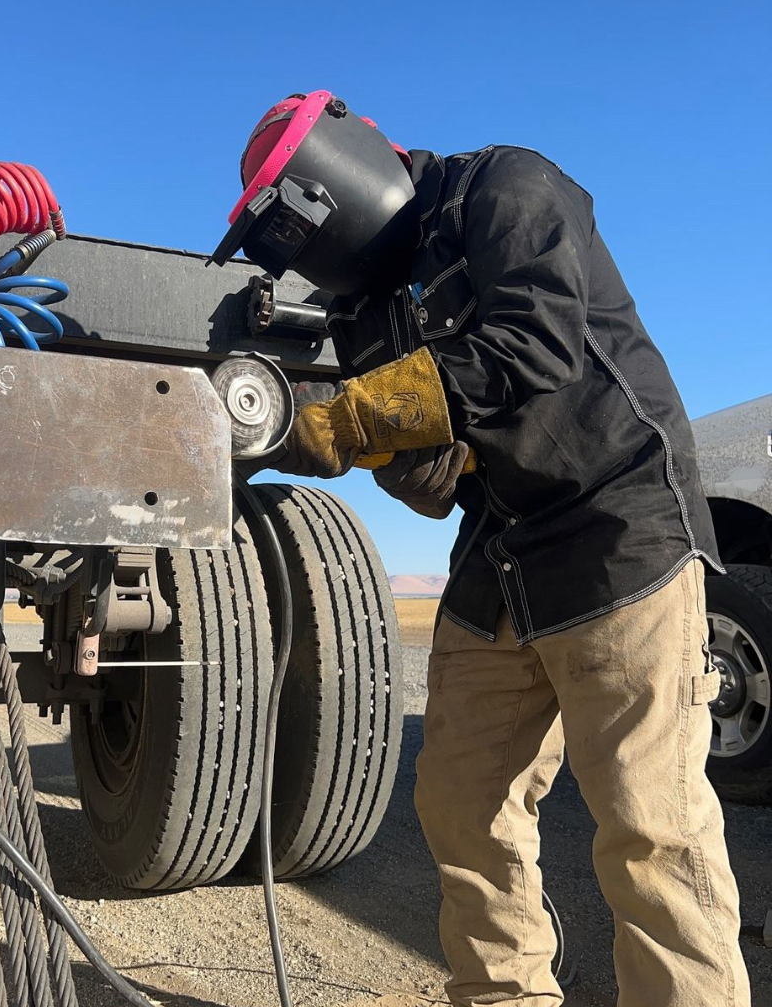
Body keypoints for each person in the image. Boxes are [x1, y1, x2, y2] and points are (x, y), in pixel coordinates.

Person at [210, 90, 751, 1007]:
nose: (297, 258)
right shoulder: (366, 314)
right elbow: (433, 468)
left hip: (617, 530)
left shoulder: (505, 186)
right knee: (463, 804)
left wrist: (343, 422)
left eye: (294, 226)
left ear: (340, 170)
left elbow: (530, 345)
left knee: (650, 830)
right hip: (502, 553)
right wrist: (409, 466)